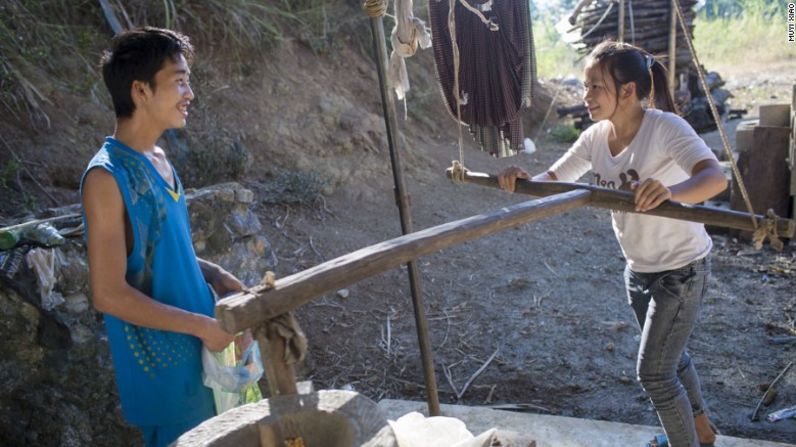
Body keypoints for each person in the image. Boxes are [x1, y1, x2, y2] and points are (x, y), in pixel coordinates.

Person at [498, 41, 726, 447]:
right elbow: (553, 180)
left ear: (628, 91)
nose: (586, 96)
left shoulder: (665, 128)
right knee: (670, 358)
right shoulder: (595, 138)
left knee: (655, 372)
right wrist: (521, 180)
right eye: (586, 86)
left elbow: (714, 177)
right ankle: (702, 431)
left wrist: (671, 192)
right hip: (638, 270)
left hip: (682, 269)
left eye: (595, 87)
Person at [80, 27, 243, 447]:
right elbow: (108, 293)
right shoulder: (106, 177)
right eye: (179, 80)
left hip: (201, 354)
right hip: (164, 370)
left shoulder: (159, 160)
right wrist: (203, 327)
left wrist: (216, 276)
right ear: (140, 90)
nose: (190, 93)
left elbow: (162, 251)